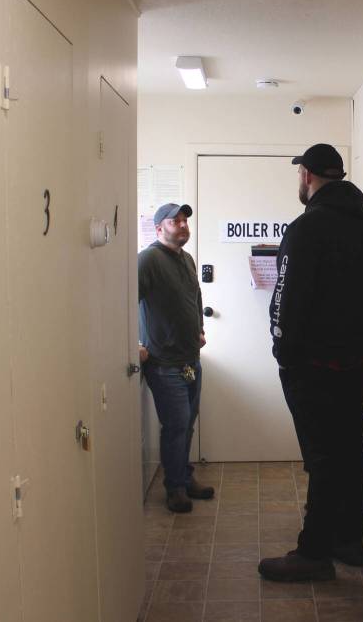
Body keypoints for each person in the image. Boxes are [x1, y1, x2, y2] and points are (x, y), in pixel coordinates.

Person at [259, 144, 363, 582]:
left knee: (322, 458)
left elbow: (285, 303)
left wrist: (283, 353)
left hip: (311, 369)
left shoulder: (305, 230)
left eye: (301, 174)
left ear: (308, 176)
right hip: (355, 367)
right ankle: (348, 539)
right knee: (351, 448)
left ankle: (314, 553)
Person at [138, 203, 215, 513]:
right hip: (164, 362)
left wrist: (199, 327)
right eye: (175, 221)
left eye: (185, 220)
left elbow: (195, 296)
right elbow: (123, 299)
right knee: (176, 425)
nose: (183, 225)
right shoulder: (148, 260)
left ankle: (184, 477)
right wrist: (134, 343)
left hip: (190, 358)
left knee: (187, 424)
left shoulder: (187, 259)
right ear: (159, 229)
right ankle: (175, 489)